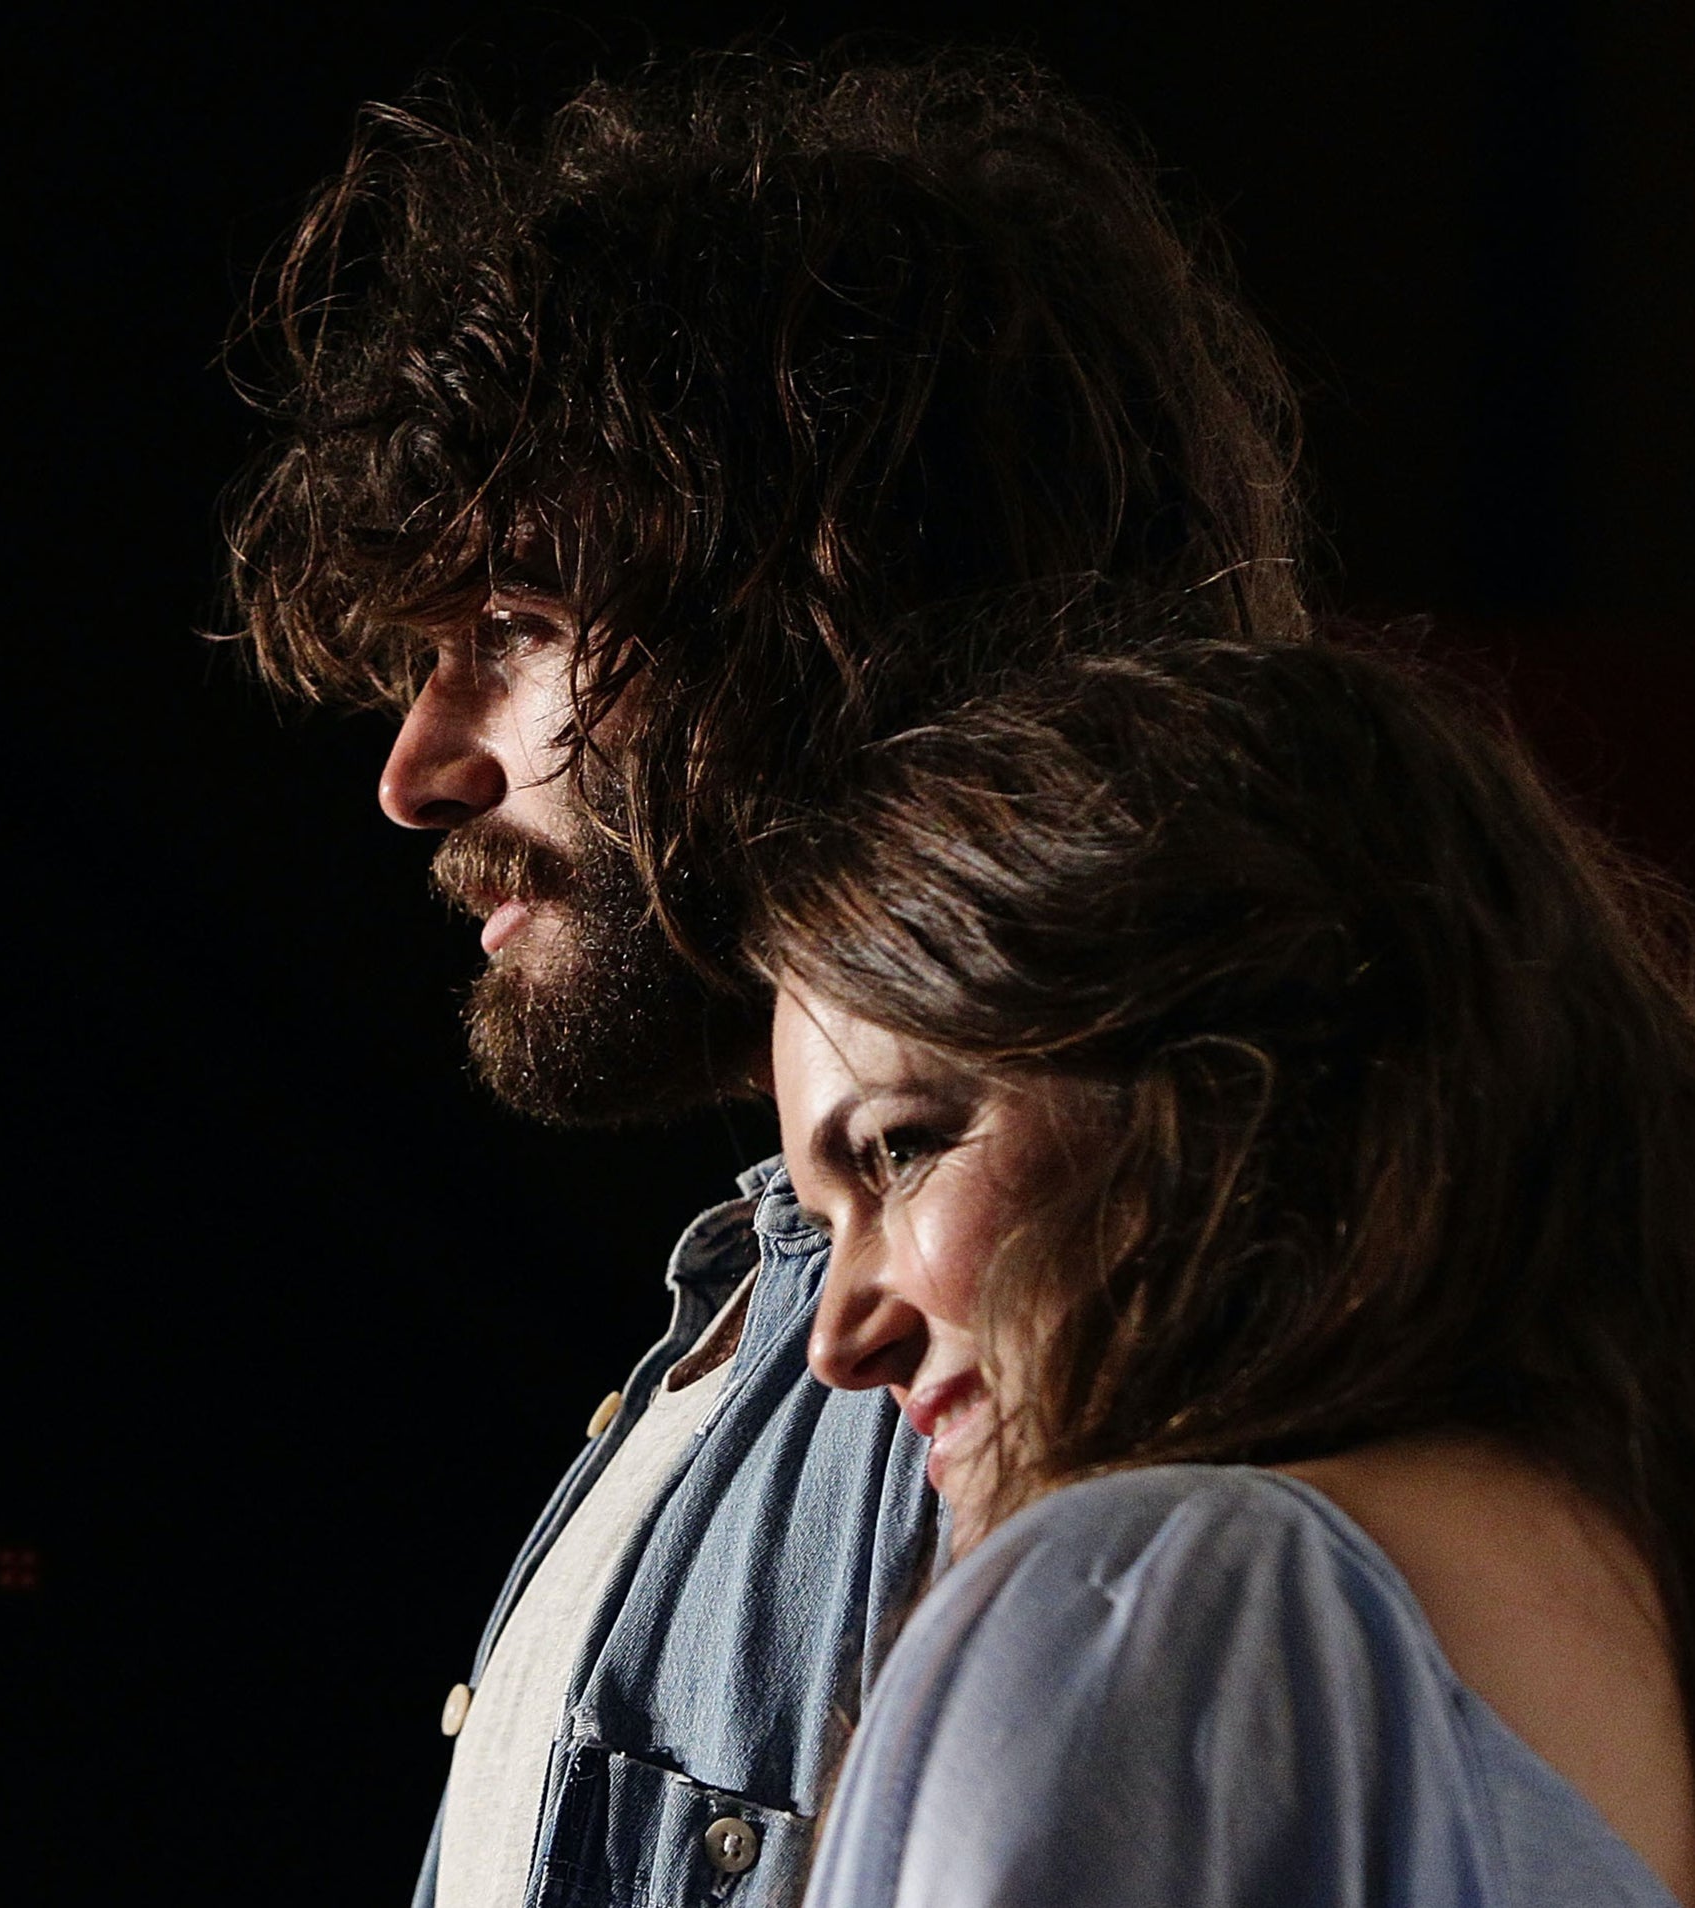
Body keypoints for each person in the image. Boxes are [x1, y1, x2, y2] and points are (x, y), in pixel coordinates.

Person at [222, 45, 1311, 1908]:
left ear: (833, 605)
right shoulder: (740, 1317)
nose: (412, 772)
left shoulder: (1104, 1318)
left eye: (514, 622)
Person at [753, 634, 1695, 1904]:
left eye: (898, 1150)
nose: (835, 1340)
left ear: (1232, 1059)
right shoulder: (1634, 1656)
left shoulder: (1159, 1594)